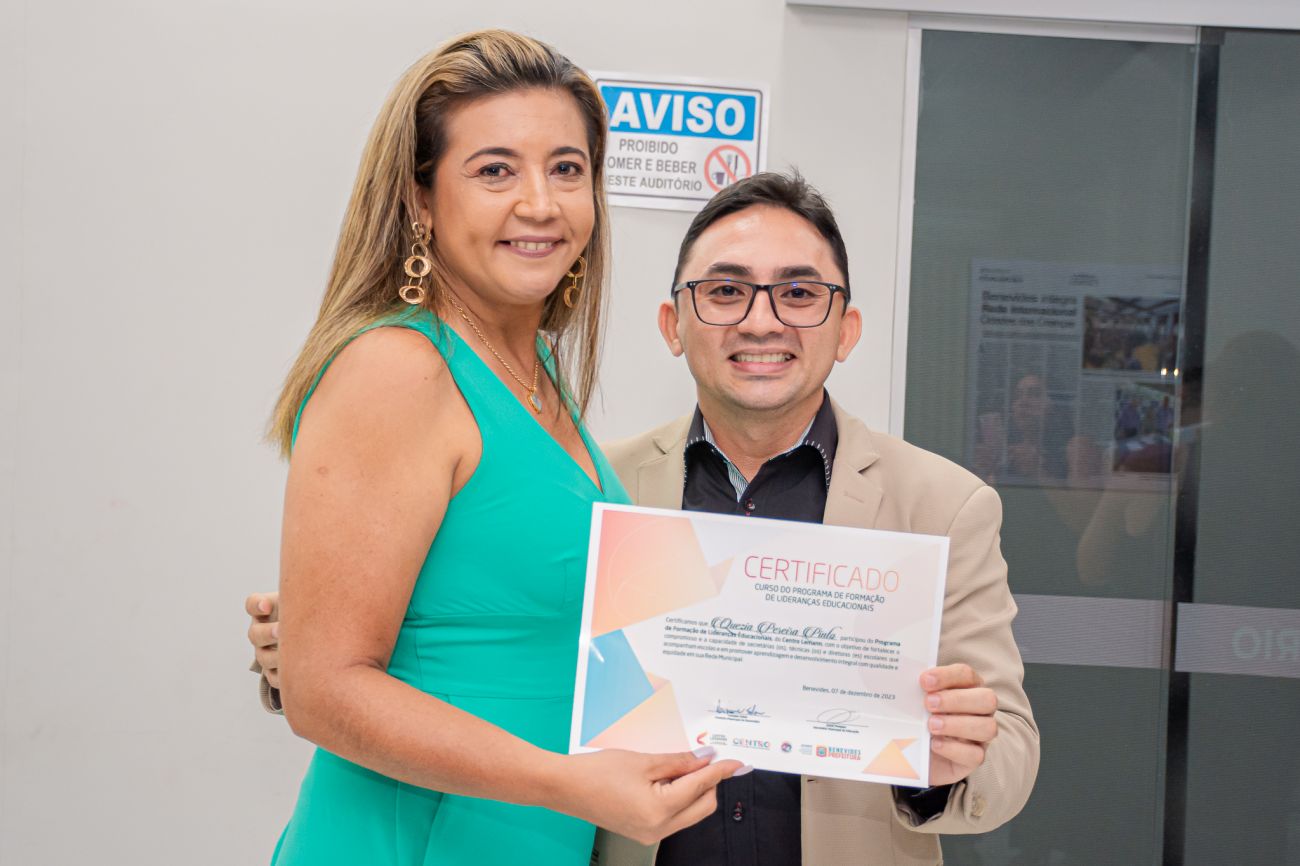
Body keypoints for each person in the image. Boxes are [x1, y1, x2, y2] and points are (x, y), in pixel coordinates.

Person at [249, 172, 1039, 865]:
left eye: (800, 294)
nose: (762, 321)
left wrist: (949, 766)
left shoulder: (943, 506)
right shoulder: (596, 490)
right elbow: (504, 651)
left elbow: (1009, 752)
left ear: (847, 329)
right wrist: (320, 643)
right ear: (673, 325)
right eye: (725, 292)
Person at [258, 29, 743, 866]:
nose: (541, 203)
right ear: (419, 199)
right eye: (494, 171)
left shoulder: (535, 371)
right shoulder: (398, 367)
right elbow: (323, 691)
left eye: (567, 168)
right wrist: (568, 782)